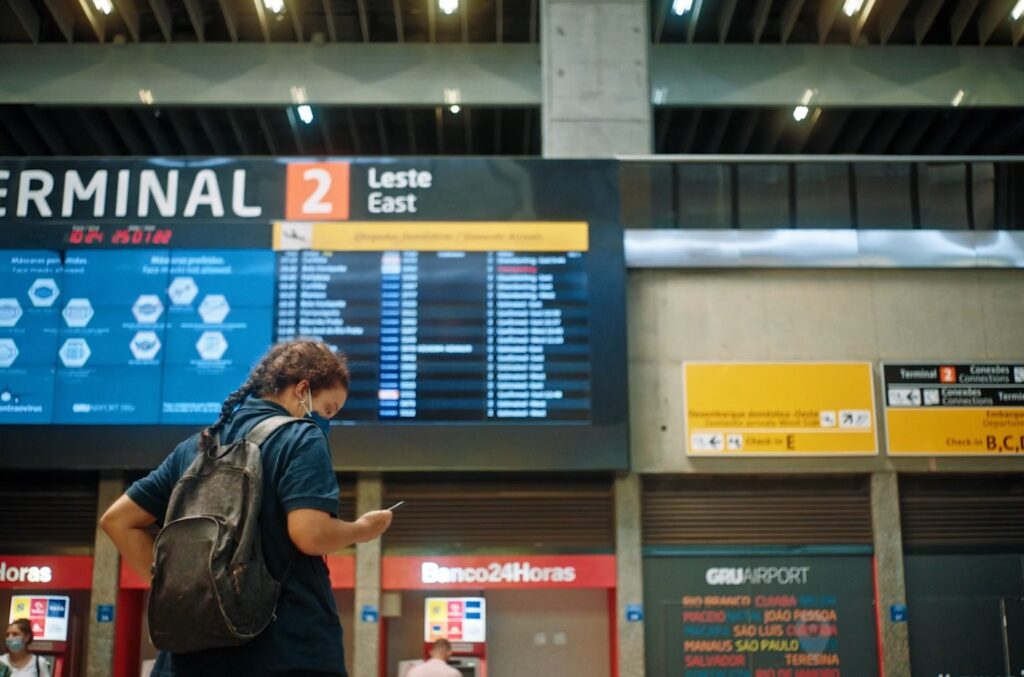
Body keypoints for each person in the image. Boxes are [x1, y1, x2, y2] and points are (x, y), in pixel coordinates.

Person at [101, 339, 393, 676]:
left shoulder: (197, 447)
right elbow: (310, 535)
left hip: (188, 655)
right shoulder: (301, 438)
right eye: (329, 409)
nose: (327, 421)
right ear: (302, 389)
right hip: (285, 647)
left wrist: (177, 589)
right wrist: (364, 529)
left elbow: (117, 520)